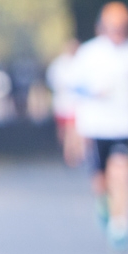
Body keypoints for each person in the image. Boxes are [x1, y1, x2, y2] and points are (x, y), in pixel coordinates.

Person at [72, 3, 128, 253]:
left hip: (124, 125)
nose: (117, 32)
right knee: (100, 181)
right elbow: (74, 86)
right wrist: (93, 92)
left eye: (122, 27)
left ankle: (120, 226)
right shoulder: (88, 53)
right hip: (96, 125)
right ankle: (103, 204)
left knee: (122, 173)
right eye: (112, 27)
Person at [47, 38, 82, 167]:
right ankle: (66, 152)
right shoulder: (58, 64)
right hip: (62, 104)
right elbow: (53, 82)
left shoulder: (80, 62)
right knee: (63, 131)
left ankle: (72, 155)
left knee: (73, 130)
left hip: (75, 104)